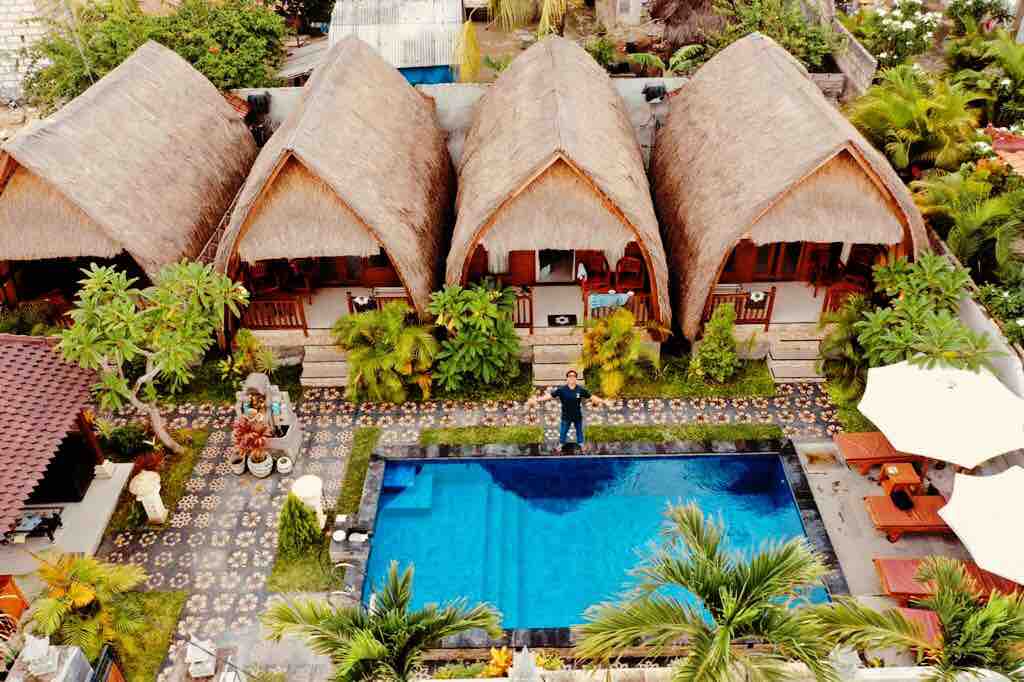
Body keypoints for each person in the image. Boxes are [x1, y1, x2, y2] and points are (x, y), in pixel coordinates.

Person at [527, 369, 611, 447]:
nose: (572, 377)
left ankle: (581, 444)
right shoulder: (562, 390)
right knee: (563, 432)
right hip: (566, 416)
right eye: (570, 376)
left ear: (576, 379)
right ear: (567, 378)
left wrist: (604, 401)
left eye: (574, 376)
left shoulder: (580, 390)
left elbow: (592, 397)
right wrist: (537, 399)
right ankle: (561, 445)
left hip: (577, 416)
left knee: (579, 432)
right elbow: (549, 396)